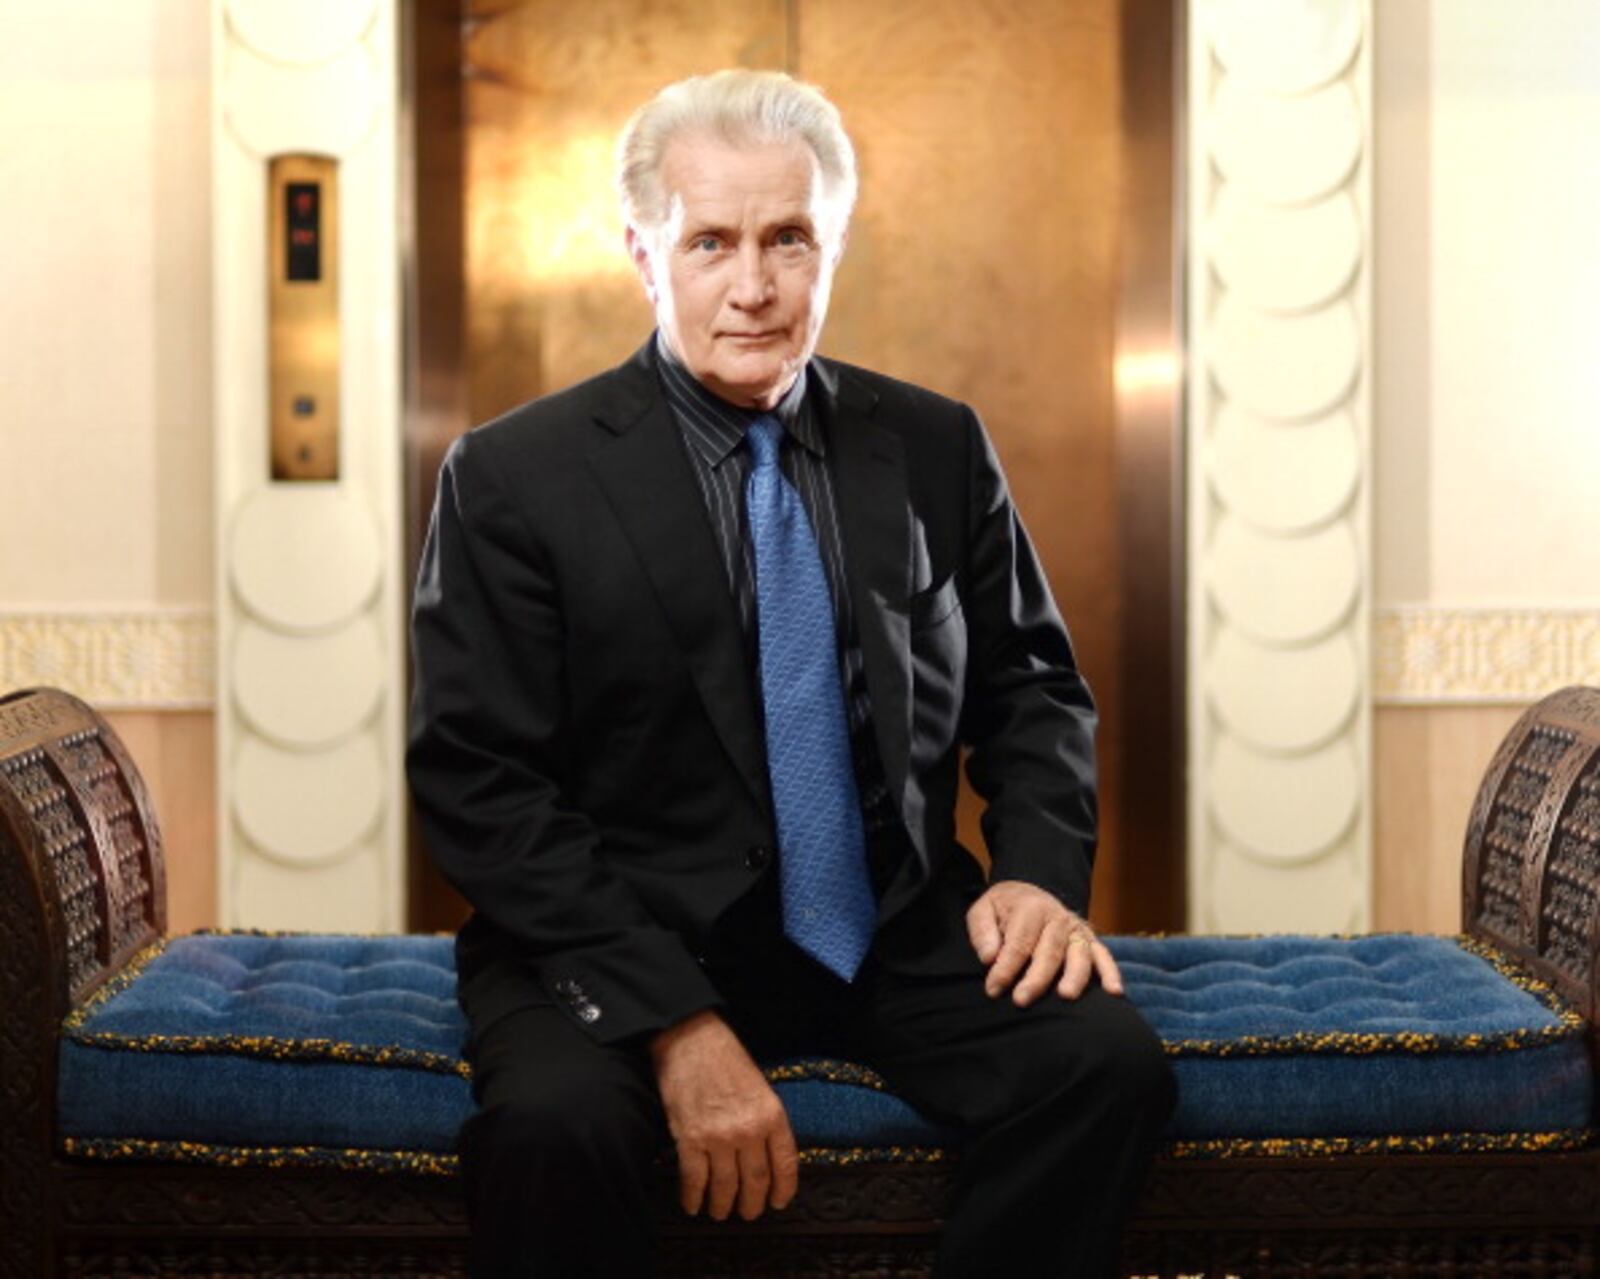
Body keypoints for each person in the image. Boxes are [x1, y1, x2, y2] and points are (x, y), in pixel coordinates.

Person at [407, 67, 1174, 1278]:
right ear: (644, 254)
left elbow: (1030, 686)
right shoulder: (513, 477)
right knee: (555, 1132)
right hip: (611, 938)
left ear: (834, 247)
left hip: (891, 928)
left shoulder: (934, 442)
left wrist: (1035, 875)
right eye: (709, 240)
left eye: (788, 239)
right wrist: (675, 1024)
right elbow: (482, 781)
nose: (753, 285)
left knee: (1102, 1070)